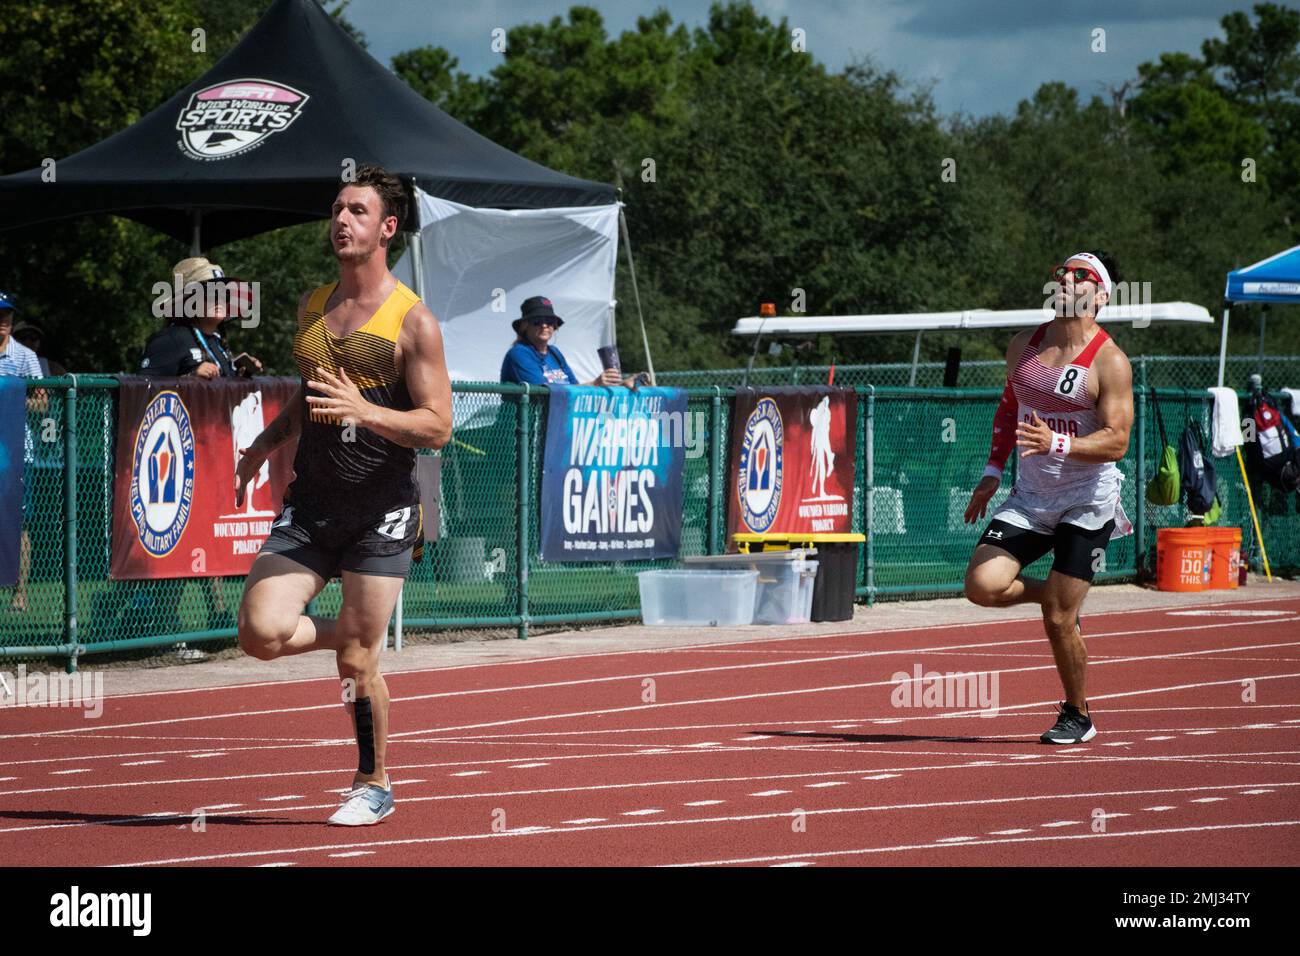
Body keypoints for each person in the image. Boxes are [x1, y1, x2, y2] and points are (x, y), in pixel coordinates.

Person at [235, 164, 452, 826]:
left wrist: (368, 409)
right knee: (259, 632)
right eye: (336, 208)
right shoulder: (313, 305)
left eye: (356, 210)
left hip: (381, 510)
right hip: (312, 504)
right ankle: (353, 638)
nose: (341, 220)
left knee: (359, 666)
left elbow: (437, 425)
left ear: (387, 227)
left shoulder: (413, 322)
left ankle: (373, 781)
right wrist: (265, 443)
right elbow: (313, 394)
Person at [962, 251, 1134, 745]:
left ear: (1100, 296)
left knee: (1058, 620)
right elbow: (1008, 406)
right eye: (1062, 271)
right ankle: (1061, 595)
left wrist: (1059, 443)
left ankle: (1078, 714)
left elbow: (1117, 441)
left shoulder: (1109, 361)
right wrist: (992, 470)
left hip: (1087, 501)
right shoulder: (1024, 345)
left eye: (1081, 275)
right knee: (982, 585)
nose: (1066, 278)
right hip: (1032, 496)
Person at [140, 257, 263, 380]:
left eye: (225, 295)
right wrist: (190, 377)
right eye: (212, 294)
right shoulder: (170, 339)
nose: (219, 301)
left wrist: (240, 374)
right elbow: (141, 390)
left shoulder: (217, 341)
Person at [0, 291, 42, 612]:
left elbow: (43, 401)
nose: (3, 322)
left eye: (8, 315)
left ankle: (20, 593)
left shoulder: (25, 356)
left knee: (19, 521)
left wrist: (11, 401)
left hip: (16, 450)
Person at [500, 296, 637, 387]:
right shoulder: (519, 354)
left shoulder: (554, 353)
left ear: (555, 326)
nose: (544, 325)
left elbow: (573, 389)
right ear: (525, 326)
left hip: (552, 425)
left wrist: (622, 386)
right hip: (524, 429)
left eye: (549, 321)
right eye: (537, 321)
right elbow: (543, 394)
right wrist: (595, 383)